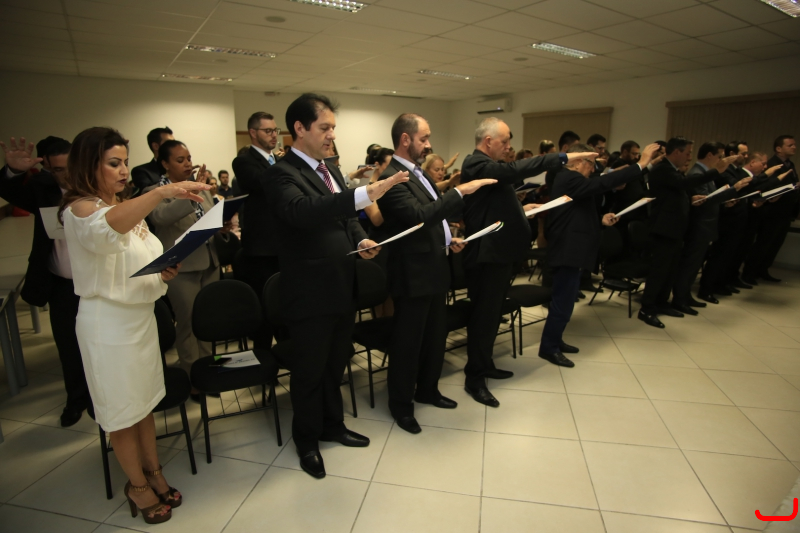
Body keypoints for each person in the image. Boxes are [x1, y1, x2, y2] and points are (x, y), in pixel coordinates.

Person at [60, 127, 209, 524]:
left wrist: (162, 272)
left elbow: (133, 261)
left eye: (125, 162)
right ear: (89, 165)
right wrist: (161, 192)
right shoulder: (80, 210)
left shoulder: (123, 205)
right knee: (122, 411)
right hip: (108, 326)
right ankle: (137, 485)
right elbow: (108, 231)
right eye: (114, 163)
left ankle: (154, 471)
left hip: (140, 320)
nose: (124, 170)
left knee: (143, 405)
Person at [262, 93, 408, 478]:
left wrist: (361, 239)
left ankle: (333, 425)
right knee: (309, 371)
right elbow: (302, 212)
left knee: (335, 364)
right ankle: (307, 440)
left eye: (333, 128)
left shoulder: (328, 169)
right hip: (309, 292)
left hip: (342, 285)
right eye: (325, 127)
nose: (332, 135)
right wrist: (363, 194)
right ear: (299, 128)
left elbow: (347, 219)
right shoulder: (282, 173)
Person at [459, 117, 597, 407]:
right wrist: (563, 157)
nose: (509, 147)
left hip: (499, 256)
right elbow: (516, 170)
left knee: (492, 316)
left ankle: (485, 365)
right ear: (488, 142)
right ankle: (474, 379)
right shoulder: (476, 164)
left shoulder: (490, 166)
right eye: (505, 141)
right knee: (483, 319)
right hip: (485, 258)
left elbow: (492, 206)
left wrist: (522, 209)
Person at [376, 113, 495, 433]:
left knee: (433, 338)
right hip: (412, 273)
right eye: (424, 138)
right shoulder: (390, 177)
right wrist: (459, 191)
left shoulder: (418, 173)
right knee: (408, 344)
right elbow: (417, 215)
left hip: (434, 265)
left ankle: (428, 389)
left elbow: (433, 217)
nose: (429, 144)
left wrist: (447, 239)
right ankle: (401, 405)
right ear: (405, 139)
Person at [540, 143, 660, 366]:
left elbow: (576, 215)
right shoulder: (568, 178)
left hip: (573, 250)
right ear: (577, 161)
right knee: (562, 302)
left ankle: (555, 340)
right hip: (567, 251)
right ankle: (549, 347)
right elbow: (604, 182)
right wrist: (641, 164)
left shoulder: (573, 181)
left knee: (566, 302)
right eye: (591, 163)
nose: (593, 168)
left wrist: (600, 220)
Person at [0, 136, 92, 427]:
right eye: (60, 169)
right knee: (68, 345)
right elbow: (9, 191)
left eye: (71, 166)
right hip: (62, 283)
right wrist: (14, 171)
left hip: (96, 281)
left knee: (98, 342)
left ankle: (100, 397)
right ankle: (76, 400)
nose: (68, 174)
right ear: (48, 169)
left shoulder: (92, 184)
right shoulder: (42, 188)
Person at [145, 140, 224, 384]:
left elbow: (209, 216)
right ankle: (192, 377)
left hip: (209, 260)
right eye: (180, 160)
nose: (188, 163)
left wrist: (222, 221)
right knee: (188, 323)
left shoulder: (200, 187)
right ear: (165, 164)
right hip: (181, 268)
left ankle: (209, 370)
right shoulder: (155, 191)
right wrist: (191, 195)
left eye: (189, 158)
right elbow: (161, 218)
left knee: (208, 321)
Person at [638, 137, 736, 328]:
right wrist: (716, 170)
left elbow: (675, 193)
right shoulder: (663, 169)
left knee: (670, 270)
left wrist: (689, 200)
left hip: (675, 228)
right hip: (663, 229)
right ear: (677, 152)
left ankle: (662, 303)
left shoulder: (673, 170)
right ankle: (647, 308)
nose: (690, 157)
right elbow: (684, 184)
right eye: (688, 153)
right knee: (659, 271)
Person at [672, 142, 748, 313]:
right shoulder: (698, 173)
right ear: (709, 155)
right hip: (698, 225)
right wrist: (733, 190)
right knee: (690, 265)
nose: (721, 160)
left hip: (706, 225)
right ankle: (680, 299)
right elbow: (704, 200)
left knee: (695, 265)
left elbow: (710, 198)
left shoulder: (705, 172)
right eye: (719, 156)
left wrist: (724, 201)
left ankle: (685, 296)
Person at [231, 111, 282, 349]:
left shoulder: (278, 162)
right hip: (261, 248)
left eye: (275, 130)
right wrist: (287, 168)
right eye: (268, 131)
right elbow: (262, 182)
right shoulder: (244, 161)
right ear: (253, 132)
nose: (274, 135)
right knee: (264, 307)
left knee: (283, 305)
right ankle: (262, 358)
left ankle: (287, 352)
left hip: (283, 244)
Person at [744, 135, 797, 283]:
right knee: (763, 243)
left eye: (794, 145)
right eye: (790, 145)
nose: (794, 147)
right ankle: (750, 273)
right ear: (779, 148)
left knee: (774, 245)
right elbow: (764, 186)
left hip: (785, 212)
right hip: (771, 211)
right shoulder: (771, 164)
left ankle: (763, 269)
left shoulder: (790, 164)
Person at [131, 126, 173, 195]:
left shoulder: (184, 169)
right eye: (169, 143)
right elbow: (147, 193)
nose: (175, 146)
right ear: (155, 146)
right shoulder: (141, 171)